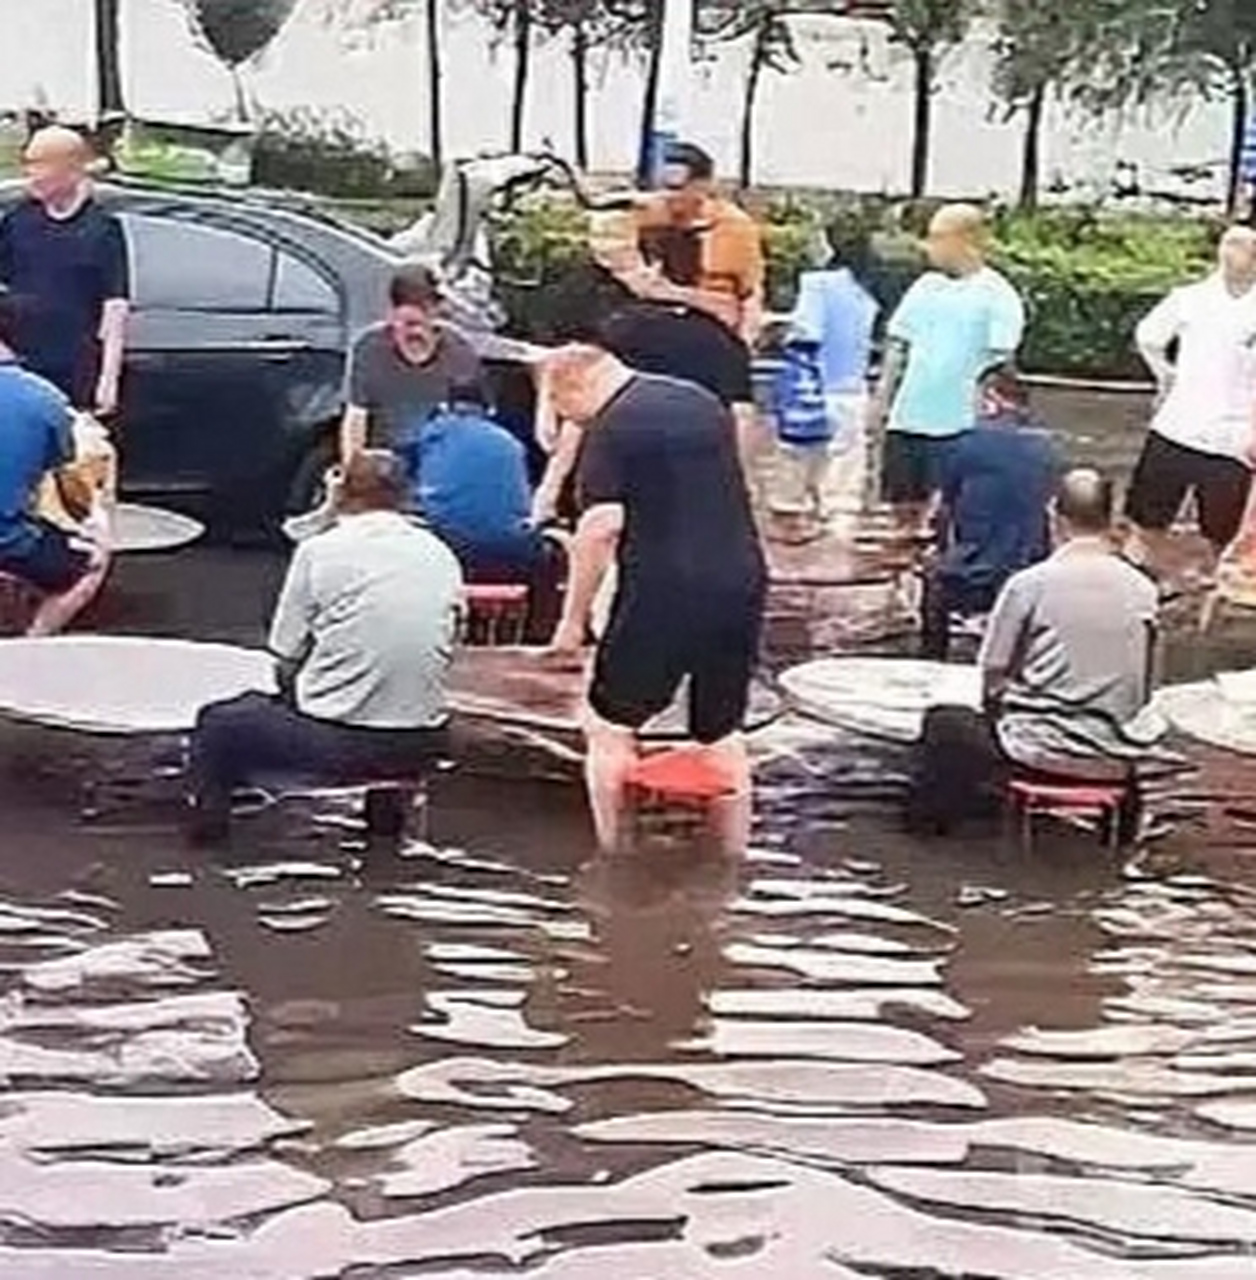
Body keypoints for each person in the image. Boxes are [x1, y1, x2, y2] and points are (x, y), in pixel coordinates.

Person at [542, 339, 767, 855]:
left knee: (608, 725)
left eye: (562, 411)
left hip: (664, 590)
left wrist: (572, 621)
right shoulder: (699, 401)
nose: (568, 423)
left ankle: (614, 855)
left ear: (572, 388)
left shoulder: (612, 427)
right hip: (742, 578)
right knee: (721, 731)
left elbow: (601, 528)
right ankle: (733, 858)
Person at [187, 450, 462, 845]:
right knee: (380, 700)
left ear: (341, 492)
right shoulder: (439, 553)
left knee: (219, 724)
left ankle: (207, 845)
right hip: (426, 741)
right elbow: (451, 644)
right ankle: (385, 840)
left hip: (340, 744)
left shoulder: (320, 550)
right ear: (405, 497)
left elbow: (284, 651)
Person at [908, 469, 1164, 839]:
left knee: (944, 722)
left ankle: (929, 836)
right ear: (1111, 519)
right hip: (1116, 754)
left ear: (1053, 515)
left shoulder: (1030, 584)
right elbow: (1148, 681)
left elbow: (993, 671)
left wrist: (999, 705)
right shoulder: (1143, 590)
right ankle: (1121, 839)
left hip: (1038, 749)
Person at [870, 203, 1025, 539]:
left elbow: (1000, 365)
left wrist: (989, 421)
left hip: (959, 424)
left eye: (937, 237)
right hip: (909, 416)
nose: (929, 247)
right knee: (901, 504)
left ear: (966, 240)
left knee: (950, 511)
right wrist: (882, 398)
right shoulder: (925, 286)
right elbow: (898, 344)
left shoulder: (998, 295)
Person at [1126, 225, 1256, 575]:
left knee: (1223, 529)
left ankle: (1216, 582)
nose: (1236, 253)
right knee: (1147, 516)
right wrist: (1166, 377)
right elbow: (1149, 337)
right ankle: (1140, 576)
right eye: (1230, 243)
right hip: (1177, 426)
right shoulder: (1189, 298)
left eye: (1246, 246)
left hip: (1234, 439)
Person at [404, 381, 566, 640]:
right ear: (489, 409)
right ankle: (539, 637)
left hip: (449, 547)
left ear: (445, 406)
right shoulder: (511, 442)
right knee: (551, 558)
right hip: (513, 548)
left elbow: (402, 473)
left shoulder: (431, 433)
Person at [920, 367, 1059, 661]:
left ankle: (932, 660)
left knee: (931, 579)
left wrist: (937, 549)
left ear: (990, 401)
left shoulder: (964, 444)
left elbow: (941, 509)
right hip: (1028, 572)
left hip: (972, 575)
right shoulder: (1047, 448)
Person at [0, 289, 110, 635]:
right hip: (10, 543)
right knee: (93, 562)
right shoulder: (46, 399)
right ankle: (31, 643)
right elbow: (63, 475)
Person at [0, 125, 130, 415]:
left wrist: (108, 379)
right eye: (28, 164)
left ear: (69, 170)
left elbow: (115, 308)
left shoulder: (101, 229)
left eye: (38, 165)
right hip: (20, 367)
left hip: (75, 371)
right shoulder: (18, 220)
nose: (30, 174)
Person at [771, 222, 881, 538]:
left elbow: (807, 332)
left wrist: (778, 334)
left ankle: (794, 526)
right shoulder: (867, 290)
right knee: (844, 480)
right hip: (853, 390)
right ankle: (838, 534)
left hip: (815, 387)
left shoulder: (817, 284)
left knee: (798, 464)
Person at [340, 264, 484, 463]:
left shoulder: (459, 351)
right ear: (391, 316)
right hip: (387, 459)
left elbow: (471, 425)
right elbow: (355, 417)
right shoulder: (369, 347)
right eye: (407, 324)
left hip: (440, 457)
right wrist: (353, 467)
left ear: (436, 315)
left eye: (421, 323)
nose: (415, 333)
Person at [627, 143, 765, 347]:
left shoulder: (732, 226)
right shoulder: (645, 219)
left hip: (714, 326)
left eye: (675, 188)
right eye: (659, 187)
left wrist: (744, 342)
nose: (665, 196)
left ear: (702, 186)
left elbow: (749, 293)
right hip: (658, 320)